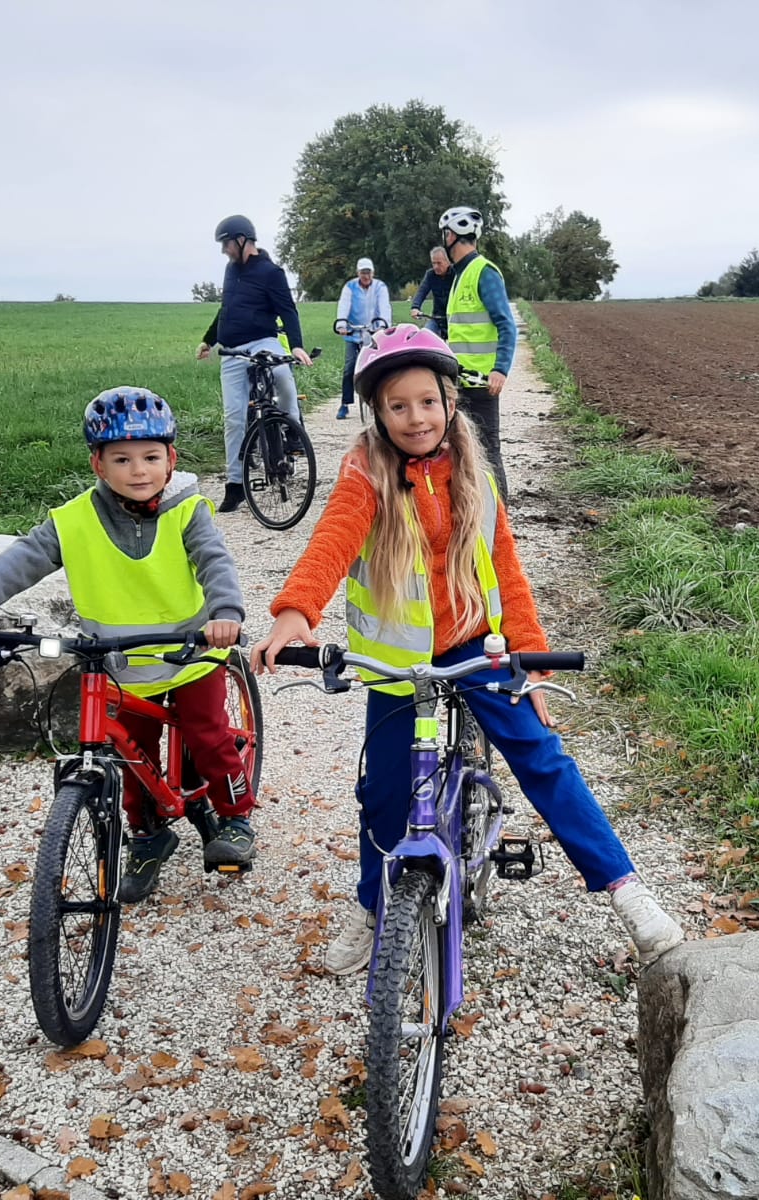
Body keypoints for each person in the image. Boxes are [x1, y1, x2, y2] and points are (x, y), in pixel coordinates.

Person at [251, 326, 684, 974]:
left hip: (477, 645)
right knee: (383, 795)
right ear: (378, 412)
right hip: (399, 668)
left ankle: (625, 889)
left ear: (450, 401)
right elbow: (334, 539)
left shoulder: (474, 473)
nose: (415, 417)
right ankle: (374, 908)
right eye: (398, 406)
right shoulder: (365, 471)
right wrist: (294, 610)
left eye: (427, 401)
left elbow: (506, 570)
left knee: (543, 758)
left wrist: (531, 660)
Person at [0, 389, 258, 902]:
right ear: (97, 465)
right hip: (120, 666)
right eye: (121, 459)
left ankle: (235, 819)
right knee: (129, 759)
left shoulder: (188, 511)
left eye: (151, 457)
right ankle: (148, 836)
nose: (139, 470)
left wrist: (225, 614)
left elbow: (215, 563)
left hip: (192, 655)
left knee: (210, 738)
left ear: (171, 460)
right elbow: (19, 562)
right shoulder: (72, 521)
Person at [197, 215, 314, 513]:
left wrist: (297, 345)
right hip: (232, 350)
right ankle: (235, 486)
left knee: (282, 375)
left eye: (226, 243)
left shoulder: (271, 272)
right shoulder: (230, 271)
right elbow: (227, 310)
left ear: (242, 239)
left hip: (263, 340)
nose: (224, 250)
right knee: (234, 417)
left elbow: (288, 310)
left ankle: (292, 431)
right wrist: (208, 340)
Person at [436, 205, 516, 499]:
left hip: (482, 382)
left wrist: (500, 369)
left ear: (452, 235)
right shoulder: (460, 274)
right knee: (460, 452)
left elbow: (506, 324)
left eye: (446, 234)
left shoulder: (484, 272)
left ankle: (500, 526)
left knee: (488, 454)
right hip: (458, 381)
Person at [333, 257, 392, 420]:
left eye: (368, 273)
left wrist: (382, 325)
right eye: (363, 273)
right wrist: (342, 325)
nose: (366, 276)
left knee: (378, 366)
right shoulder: (350, 287)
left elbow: (384, 307)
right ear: (358, 273)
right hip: (354, 332)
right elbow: (344, 305)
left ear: (372, 273)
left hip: (373, 331)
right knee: (349, 368)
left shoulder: (379, 287)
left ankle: (379, 400)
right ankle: (345, 404)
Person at [409, 246, 452, 340]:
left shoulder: (456, 273)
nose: (436, 266)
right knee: (424, 337)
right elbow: (422, 291)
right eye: (433, 263)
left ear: (448, 261)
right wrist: (415, 307)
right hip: (437, 319)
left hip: (454, 319)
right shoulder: (430, 275)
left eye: (439, 263)